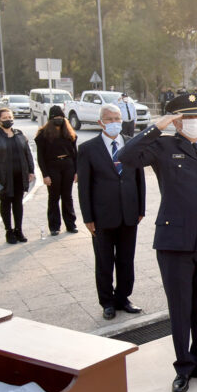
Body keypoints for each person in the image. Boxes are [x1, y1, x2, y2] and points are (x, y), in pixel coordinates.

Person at [117, 93, 197, 392]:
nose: (194, 122)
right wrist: (157, 127)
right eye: (187, 117)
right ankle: (184, 366)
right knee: (181, 308)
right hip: (175, 242)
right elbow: (126, 157)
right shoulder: (163, 146)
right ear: (177, 120)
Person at [77, 103, 146, 320]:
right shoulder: (88, 149)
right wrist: (88, 217)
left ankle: (123, 297)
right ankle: (107, 302)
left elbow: (139, 179)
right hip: (102, 216)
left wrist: (141, 208)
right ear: (100, 122)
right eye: (109, 119)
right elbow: (84, 186)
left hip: (129, 213)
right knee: (104, 261)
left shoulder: (131, 144)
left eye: (117, 118)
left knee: (126, 259)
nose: (114, 122)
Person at [0, 108, 35, 244]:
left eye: (10, 117)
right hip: (3, 177)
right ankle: (9, 231)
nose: (8, 120)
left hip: (20, 175)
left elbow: (27, 154)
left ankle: (19, 230)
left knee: (18, 203)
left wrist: (31, 171)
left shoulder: (19, 134)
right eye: (5, 118)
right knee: (5, 203)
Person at [34, 105, 78, 236]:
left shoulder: (70, 133)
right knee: (54, 197)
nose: (59, 120)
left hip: (68, 165)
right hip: (52, 166)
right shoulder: (43, 135)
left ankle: (71, 224)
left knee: (67, 196)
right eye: (55, 118)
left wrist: (76, 171)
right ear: (50, 119)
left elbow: (75, 153)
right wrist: (45, 175)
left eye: (61, 117)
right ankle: (54, 226)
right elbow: (40, 157)